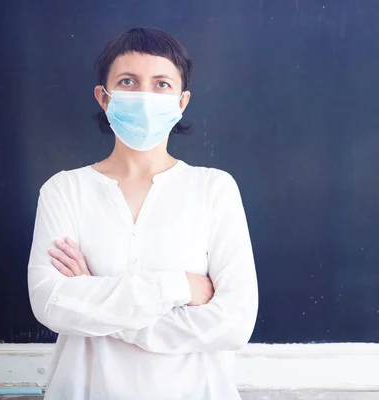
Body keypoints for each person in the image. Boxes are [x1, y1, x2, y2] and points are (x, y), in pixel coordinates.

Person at [27, 27, 258, 400]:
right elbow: (52, 304)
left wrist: (98, 305)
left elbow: (233, 323)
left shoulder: (214, 189)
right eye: (128, 81)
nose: (144, 95)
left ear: (182, 101)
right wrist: (178, 286)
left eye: (161, 84)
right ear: (104, 97)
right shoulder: (64, 191)